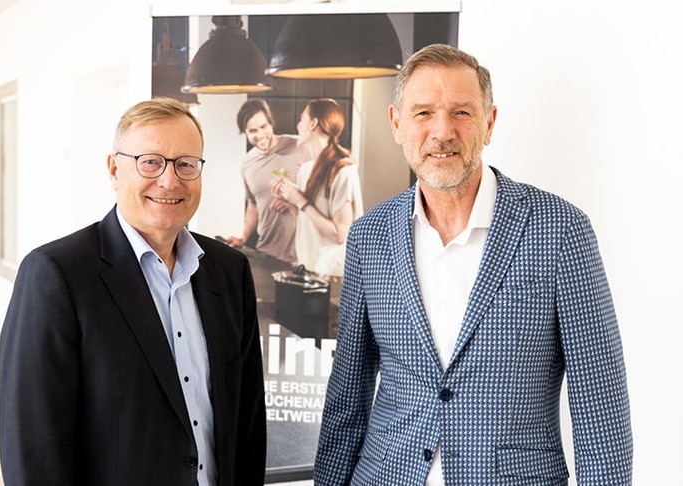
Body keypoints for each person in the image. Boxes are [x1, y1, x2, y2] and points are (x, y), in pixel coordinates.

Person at [314, 44, 633, 485]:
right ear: (396, 124)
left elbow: (600, 409)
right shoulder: (369, 236)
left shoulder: (561, 231)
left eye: (461, 112)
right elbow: (347, 396)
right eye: (423, 113)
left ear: (489, 123)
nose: (442, 131)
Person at [0, 97, 266, 486]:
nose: (170, 180)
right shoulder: (57, 274)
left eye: (186, 164)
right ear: (114, 169)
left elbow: (248, 424)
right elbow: (33, 447)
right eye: (150, 161)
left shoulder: (229, 270)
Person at [272, 98, 363, 279]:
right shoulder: (306, 170)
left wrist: (300, 200)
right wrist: (290, 202)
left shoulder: (343, 170)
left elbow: (340, 234)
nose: (298, 126)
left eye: (301, 119)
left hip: (335, 275)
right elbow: (308, 223)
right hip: (309, 268)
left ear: (313, 124)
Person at [226, 98, 307, 265]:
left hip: (302, 254)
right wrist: (243, 237)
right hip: (266, 253)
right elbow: (253, 205)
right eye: (253, 131)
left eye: (263, 127)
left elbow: (322, 192)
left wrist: (295, 199)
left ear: (271, 123)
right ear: (245, 133)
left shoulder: (300, 147)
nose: (260, 135)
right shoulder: (247, 164)